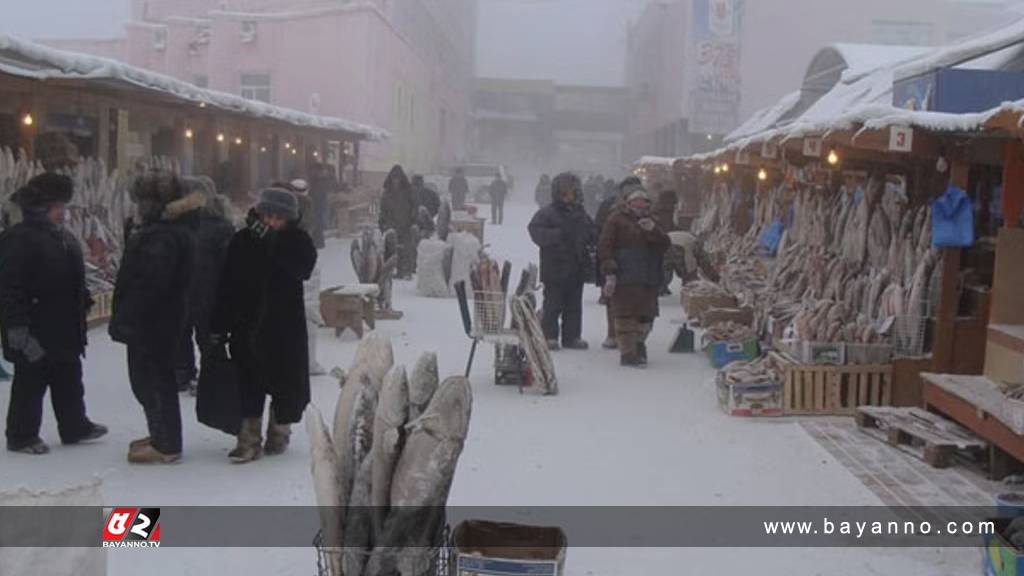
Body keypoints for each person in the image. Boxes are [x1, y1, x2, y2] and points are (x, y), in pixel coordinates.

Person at [0, 173, 108, 455]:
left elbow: (71, 274)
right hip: (35, 325)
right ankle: (21, 435)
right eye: (58, 206)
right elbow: (10, 287)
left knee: (69, 377)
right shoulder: (19, 239)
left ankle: (74, 424)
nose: (64, 212)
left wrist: (82, 298)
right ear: (41, 207)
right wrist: (17, 329)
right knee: (30, 381)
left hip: (64, 325)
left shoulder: (61, 236)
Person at [211, 188, 317, 464]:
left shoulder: (298, 241)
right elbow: (226, 284)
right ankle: (247, 440)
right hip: (247, 325)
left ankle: (279, 433)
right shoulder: (242, 240)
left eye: (278, 217)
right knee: (249, 382)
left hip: (284, 328)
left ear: (289, 219)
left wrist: (273, 242)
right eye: (266, 215)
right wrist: (218, 324)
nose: (271, 221)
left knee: (286, 385)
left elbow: (302, 267)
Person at [110, 170, 202, 463]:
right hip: (161, 319)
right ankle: (161, 435)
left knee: (151, 380)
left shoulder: (161, 236)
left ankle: (165, 444)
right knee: (152, 379)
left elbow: (149, 283)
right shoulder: (167, 230)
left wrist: (130, 318)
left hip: (153, 322)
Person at [176, 177, 235, 396]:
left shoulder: (219, 226)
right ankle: (186, 374)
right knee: (186, 336)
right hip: (189, 291)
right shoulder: (181, 225)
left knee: (207, 337)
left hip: (208, 293)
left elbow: (229, 264)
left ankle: (208, 377)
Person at [598, 187, 671, 368]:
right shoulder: (616, 219)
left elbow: (664, 244)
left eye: (643, 202)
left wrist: (653, 231)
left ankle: (640, 344)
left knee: (646, 316)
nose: (640, 206)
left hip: (648, 276)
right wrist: (609, 271)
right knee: (625, 316)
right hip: (625, 276)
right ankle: (628, 352)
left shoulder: (653, 220)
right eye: (636, 202)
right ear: (628, 203)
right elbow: (605, 246)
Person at [528, 172, 596, 351]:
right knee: (552, 304)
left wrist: (590, 239)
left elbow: (591, 231)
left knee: (574, 306)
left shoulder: (581, 214)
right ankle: (549, 335)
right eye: (565, 192)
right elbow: (535, 231)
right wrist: (556, 236)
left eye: (572, 192)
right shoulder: (548, 213)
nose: (569, 196)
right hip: (555, 267)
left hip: (577, 266)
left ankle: (572, 336)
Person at [594, 177, 642, 350]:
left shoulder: (646, 209)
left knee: (634, 301)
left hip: (638, 262)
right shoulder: (609, 206)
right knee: (613, 299)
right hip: (614, 260)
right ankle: (613, 334)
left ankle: (631, 336)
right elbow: (599, 231)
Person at [379, 165, 418, 279]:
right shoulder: (387, 192)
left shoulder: (408, 191)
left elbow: (414, 206)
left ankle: (407, 271)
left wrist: (414, 219)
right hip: (392, 223)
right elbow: (383, 209)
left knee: (406, 248)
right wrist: (382, 222)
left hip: (406, 223)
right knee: (393, 248)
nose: (395, 181)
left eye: (397, 178)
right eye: (394, 178)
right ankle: (397, 270)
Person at [310, 163, 337, 243]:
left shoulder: (320, 178)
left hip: (319, 199)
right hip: (320, 198)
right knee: (320, 216)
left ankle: (319, 234)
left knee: (319, 216)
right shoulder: (323, 178)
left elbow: (328, 187)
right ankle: (320, 234)